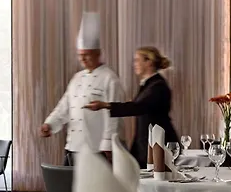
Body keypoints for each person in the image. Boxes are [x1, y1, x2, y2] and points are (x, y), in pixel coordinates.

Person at [40, 12, 126, 165]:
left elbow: (114, 115)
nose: (83, 59)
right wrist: (50, 124)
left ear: (98, 54)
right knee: (68, 180)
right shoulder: (77, 78)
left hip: (97, 148)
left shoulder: (110, 78)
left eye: (87, 55)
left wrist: (108, 145)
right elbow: (64, 107)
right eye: (80, 55)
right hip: (73, 146)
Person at [85, 46, 178, 168]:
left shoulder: (157, 86)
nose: (134, 64)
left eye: (137, 60)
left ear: (148, 62)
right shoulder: (149, 84)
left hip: (158, 145)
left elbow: (138, 107)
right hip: (148, 144)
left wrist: (105, 105)